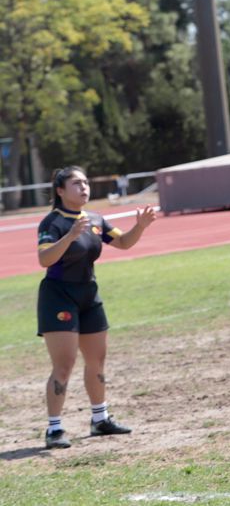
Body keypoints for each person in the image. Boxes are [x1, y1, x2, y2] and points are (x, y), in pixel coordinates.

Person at [36, 166, 157, 449]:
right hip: (59, 297)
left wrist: (140, 226)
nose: (84, 187)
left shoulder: (95, 219)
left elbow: (124, 243)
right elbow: (44, 259)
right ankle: (54, 429)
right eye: (76, 183)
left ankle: (100, 419)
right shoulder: (52, 223)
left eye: (86, 182)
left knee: (97, 361)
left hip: (89, 296)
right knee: (64, 365)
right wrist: (68, 236)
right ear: (61, 191)